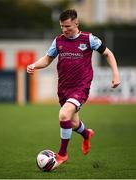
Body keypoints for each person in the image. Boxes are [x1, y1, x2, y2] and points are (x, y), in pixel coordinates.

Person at [27, 9, 120, 168]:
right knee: (73, 122)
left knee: (64, 115)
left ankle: (62, 154)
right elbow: (48, 59)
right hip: (63, 89)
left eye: (68, 26)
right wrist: (34, 65)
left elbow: (108, 54)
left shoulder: (89, 39)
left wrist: (116, 75)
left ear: (76, 23)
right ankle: (86, 133)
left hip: (80, 88)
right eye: (62, 26)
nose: (65, 30)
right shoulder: (58, 41)